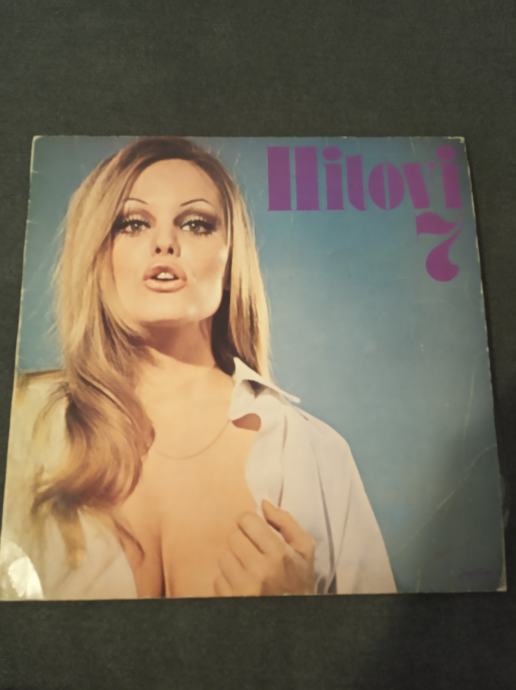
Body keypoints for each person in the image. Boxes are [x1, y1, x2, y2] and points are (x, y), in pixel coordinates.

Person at [0, 137, 396, 599]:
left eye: (195, 224)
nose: (164, 243)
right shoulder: (21, 422)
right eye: (132, 223)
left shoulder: (315, 454)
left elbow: (382, 642)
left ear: (230, 260)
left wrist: (295, 615)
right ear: (97, 252)